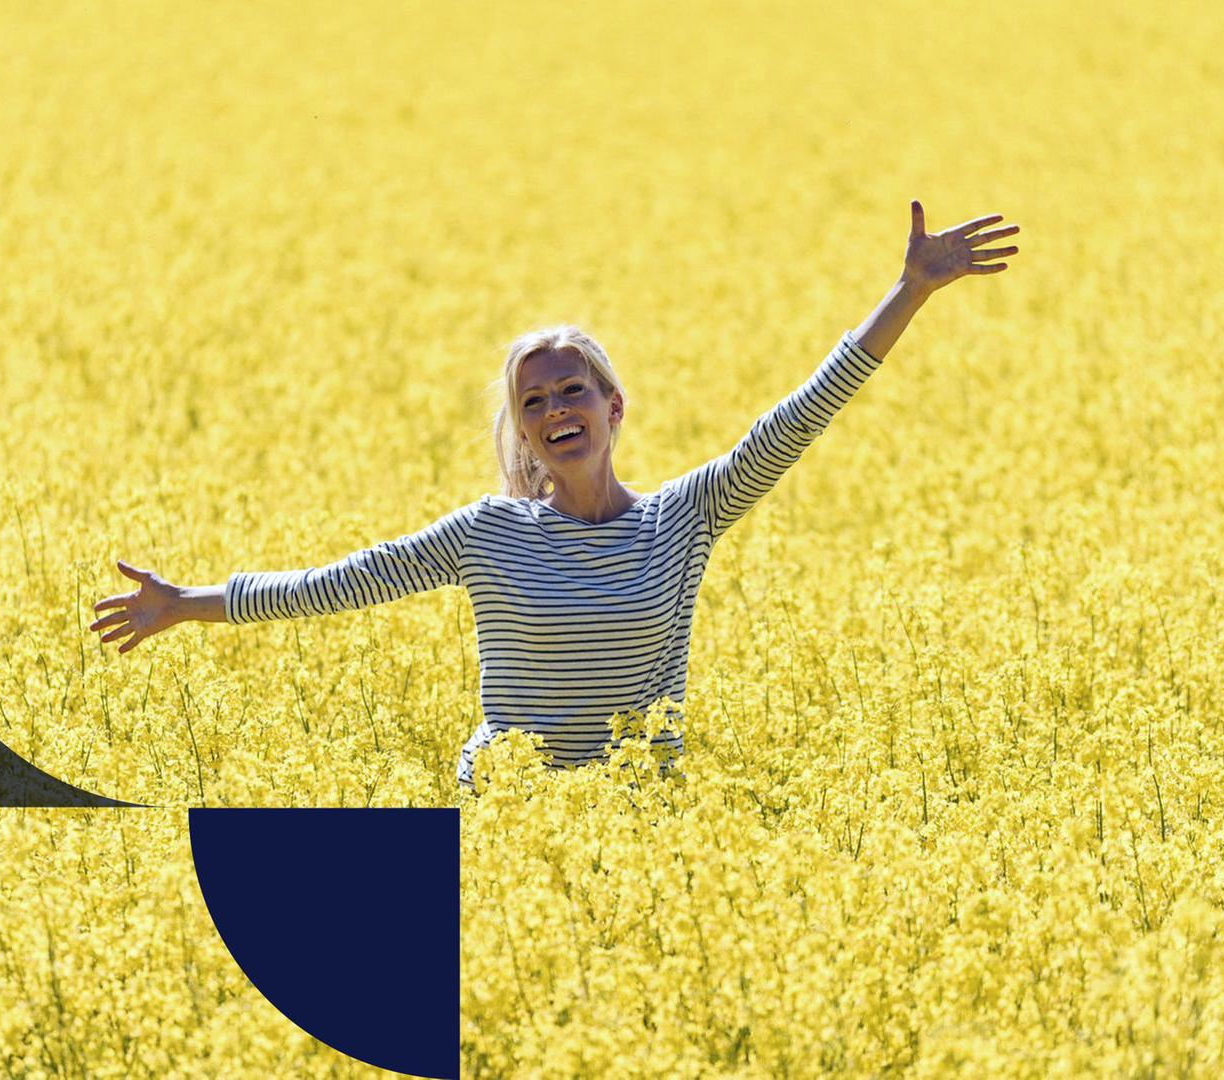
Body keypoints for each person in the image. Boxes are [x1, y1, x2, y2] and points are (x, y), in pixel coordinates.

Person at [91, 199, 1020, 793]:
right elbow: (340, 583)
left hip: (636, 819)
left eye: (572, 390)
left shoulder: (682, 519)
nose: (554, 410)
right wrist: (187, 606)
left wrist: (909, 293)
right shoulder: (490, 534)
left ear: (613, 406)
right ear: (525, 432)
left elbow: (796, 419)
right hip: (509, 814)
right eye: (532, 402)